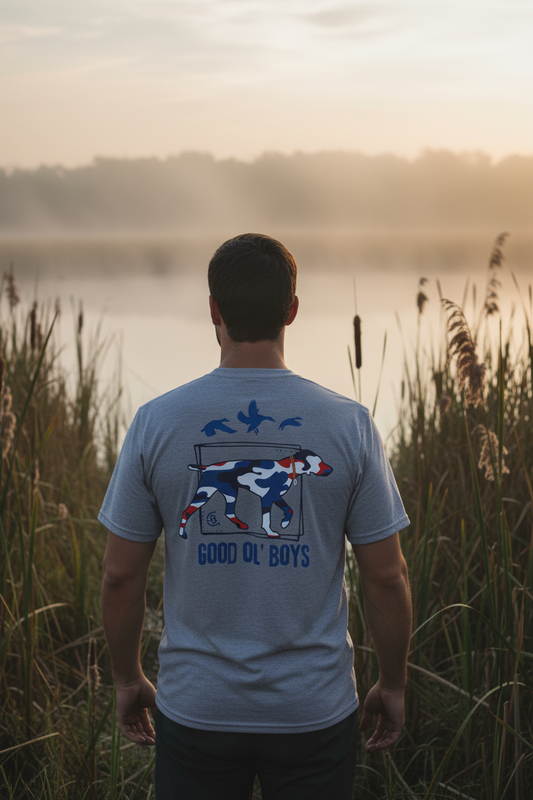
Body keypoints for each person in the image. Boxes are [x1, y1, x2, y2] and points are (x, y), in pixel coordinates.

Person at [99, 233, 412, 800]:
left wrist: (127, 679)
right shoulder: (350, 425)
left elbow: (120, 575)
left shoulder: (155, 422)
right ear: (292, 311)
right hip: (313, 710)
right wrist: (392, 683)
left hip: (196, 708)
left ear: (213, 310)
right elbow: (387, 577)